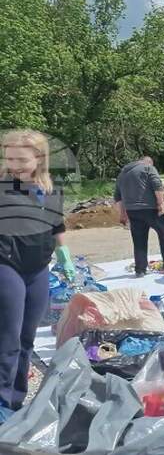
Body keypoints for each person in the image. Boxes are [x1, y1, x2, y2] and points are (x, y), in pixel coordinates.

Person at [0, 130, 75, 418]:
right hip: (7, 265)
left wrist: (64, 254)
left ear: (39, 159)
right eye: (9, 158)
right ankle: (2, 403)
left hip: (38, 268)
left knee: (27, 338)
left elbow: (57, 226)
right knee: (8, 338)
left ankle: (16, 400)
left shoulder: (50, 190)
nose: (14, 165)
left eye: (21, 159)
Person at [114, 156, 164, 277]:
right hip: (151, 208)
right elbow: (157, 185)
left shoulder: (122, 174)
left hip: (132, 211)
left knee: (139, 240)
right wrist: (161, 204)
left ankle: (140, 269)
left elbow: (117, 196)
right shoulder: (148, 168)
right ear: (149, 162)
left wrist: (122, 214)